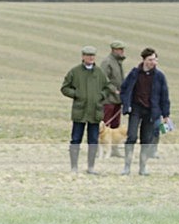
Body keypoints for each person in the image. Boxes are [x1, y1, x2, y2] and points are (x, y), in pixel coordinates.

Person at [119, 47, 171, 176]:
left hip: (151, 111)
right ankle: (127, 167)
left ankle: (143, 167)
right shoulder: (135, 73)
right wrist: (126, 104)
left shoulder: (159, 76)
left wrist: (166, 115)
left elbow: (164, 96)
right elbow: (124, 89)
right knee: (131, 136)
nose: (153, 62)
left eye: (155, 60)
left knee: (146, 139)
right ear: (144, 60)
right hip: (135, 109)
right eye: (150, 59)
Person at [60, 45, 110, 174]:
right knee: (76, 139)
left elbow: (107, 87)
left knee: (93, 140)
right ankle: (74, 167)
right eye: (88, 55)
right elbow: (65, 88)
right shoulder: (75, 72)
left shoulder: (99, 73)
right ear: (83, 57)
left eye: (93, 56)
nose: (91, 58)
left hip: (95, 112)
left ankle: (91, 167)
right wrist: (77, 94)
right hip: (80, 111)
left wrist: (101, 96)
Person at [100, 40, 127, 157]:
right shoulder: (107, 62)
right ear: (114, 50)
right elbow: (103, 78)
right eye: (120, 49)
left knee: (116, 125)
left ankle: (114, 149)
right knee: (104, 125)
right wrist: (113, 89)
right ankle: (100, 149)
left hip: (118, 99)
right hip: (108, 99)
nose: (122, 52)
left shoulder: (118, 62)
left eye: (122, 49)